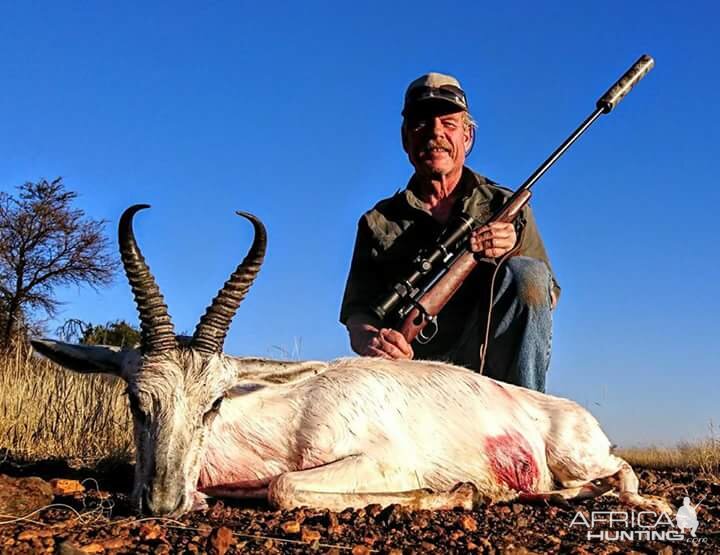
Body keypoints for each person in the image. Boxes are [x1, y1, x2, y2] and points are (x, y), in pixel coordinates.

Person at [339, 72, 560, 392]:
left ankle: (529, 419)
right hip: (413, 372)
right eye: (420, 124)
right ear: (405, 139)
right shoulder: (378, 220)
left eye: (449, 124)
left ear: (467, 137)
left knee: (528, 272)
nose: (435, 134)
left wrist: (512, 250)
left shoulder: (504, 205)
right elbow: (357, 314)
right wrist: (374, 341)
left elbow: (547, 297)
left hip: (490, 367)